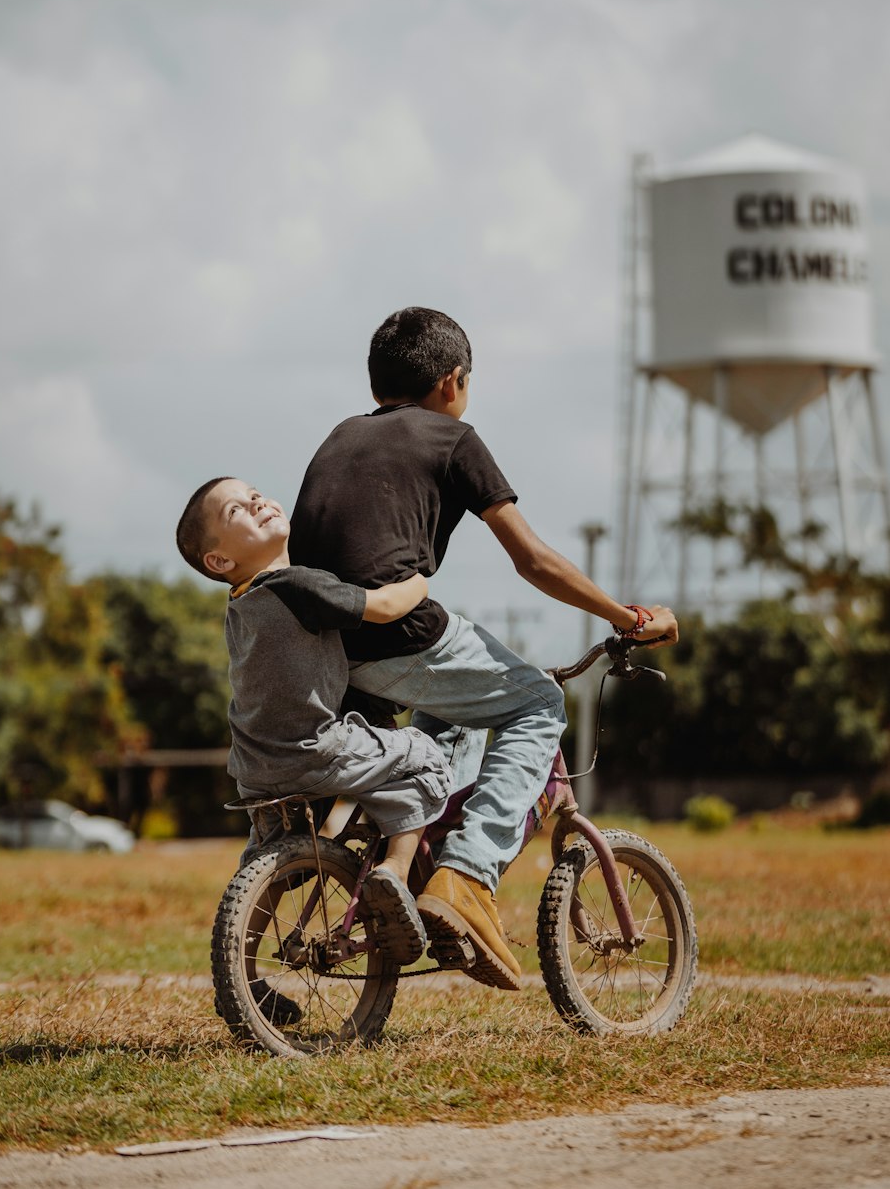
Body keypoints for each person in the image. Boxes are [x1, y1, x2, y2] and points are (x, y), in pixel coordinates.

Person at [289, 306, 678, 992]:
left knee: (451, 718)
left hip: (324, 643)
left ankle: (408, 866)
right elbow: (532, 560)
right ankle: (466, 874)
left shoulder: (338, 436)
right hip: (399, 629)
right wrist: (626, 616)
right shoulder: (452, 436)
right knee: (536, 699)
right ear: (454, 379)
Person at [175, 475, 452, 967]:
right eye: (235, 510)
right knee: (424, 755)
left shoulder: (242, 604)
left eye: (254, 492)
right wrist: (421, 578)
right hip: (315, 748)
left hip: (256, 764)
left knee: (270, 862)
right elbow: (385, 607)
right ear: (219, 561)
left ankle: (240, 968)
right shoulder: (299, 584)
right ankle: (394, 868)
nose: (256, 500)